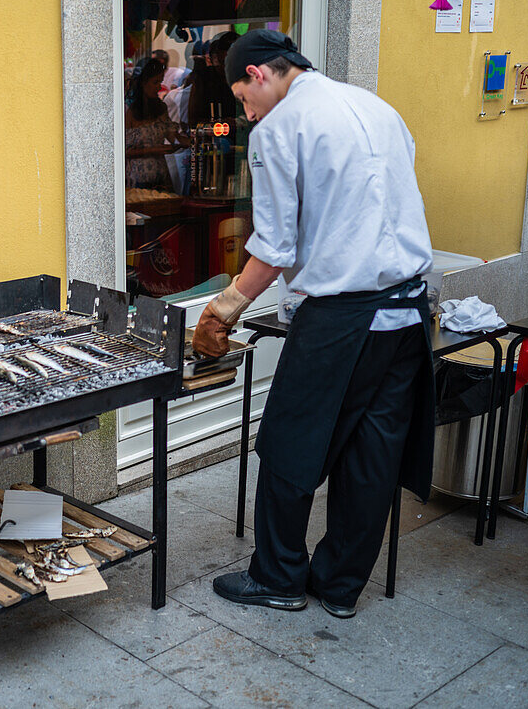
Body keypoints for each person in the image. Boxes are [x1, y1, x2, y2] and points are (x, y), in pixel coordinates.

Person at [193, 30, 435, 619]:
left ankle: (276, 576)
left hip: (341, 318)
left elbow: (275, 246)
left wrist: (223, 306)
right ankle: (339, 586)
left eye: (242, 99)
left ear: (258, 74)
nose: (246, 113)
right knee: (372, 454)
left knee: (289, 445)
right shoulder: (378, 108)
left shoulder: (278, 129)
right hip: (408, 316)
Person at [125, 58, 185, 189]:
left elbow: (173, 136)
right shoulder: (127, 109)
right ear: (143, 83)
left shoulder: (160, 108)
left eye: (161, 81)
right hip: (136, 181)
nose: (159, 87)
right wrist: (154, 150)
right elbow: (123, 151)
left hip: (161, 179)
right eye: (155, 82)